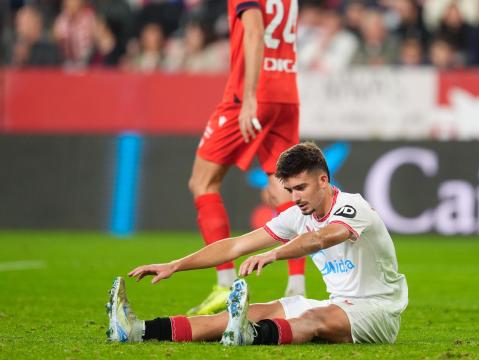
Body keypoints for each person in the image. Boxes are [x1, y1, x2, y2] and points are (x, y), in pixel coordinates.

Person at [106, 143, 408, 345]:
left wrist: (275, 254)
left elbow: (322, 237)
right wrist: (175, 265)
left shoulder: (353, 208)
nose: (295, 197)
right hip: (339, 303)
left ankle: (250, 337)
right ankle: (138, 330)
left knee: (314, 319)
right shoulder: (297, 215)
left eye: (301, 188)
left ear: (324, 181)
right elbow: (235, 246)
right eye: (289, 190)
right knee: (249, 312)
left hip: (377, 311)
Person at [185, 0, 306, 315]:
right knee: (283, 189)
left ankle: (225, 286)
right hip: (287, 93)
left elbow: (254, 30)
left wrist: (250, 95)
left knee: (203, 182)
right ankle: (297, 287)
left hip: (252, 93)